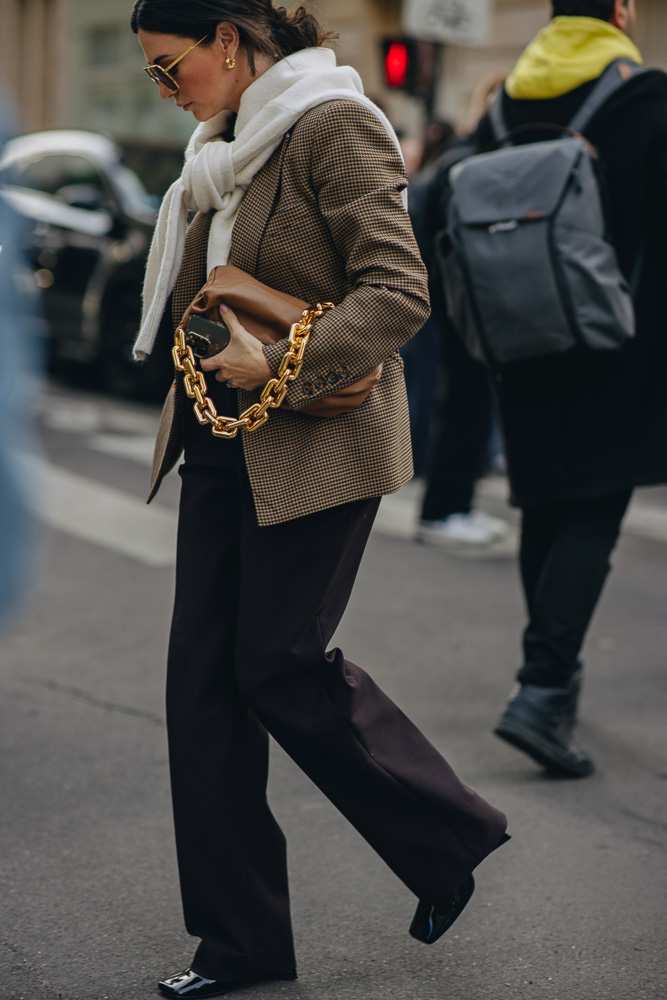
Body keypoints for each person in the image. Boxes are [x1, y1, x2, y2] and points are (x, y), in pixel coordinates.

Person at [130, 3, 509, 997]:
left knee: (277, 663)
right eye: (150, 79)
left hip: (315, 440)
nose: (165, 93)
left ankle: (449, 835)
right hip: (220, 438)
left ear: (229, 38)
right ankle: (240, 944)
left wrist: (277, 363)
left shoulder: (329, 123)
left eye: (172, 68)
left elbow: (397, 292)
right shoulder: (218, 147)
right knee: (202, 692)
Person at [470, 0, 667, 775]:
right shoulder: (645, 96)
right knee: (592, 510)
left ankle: (552, 677)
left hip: (519, 338)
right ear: (618, 10)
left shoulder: (506, 101)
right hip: (615, 340)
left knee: (544, 503)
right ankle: (543, 687)